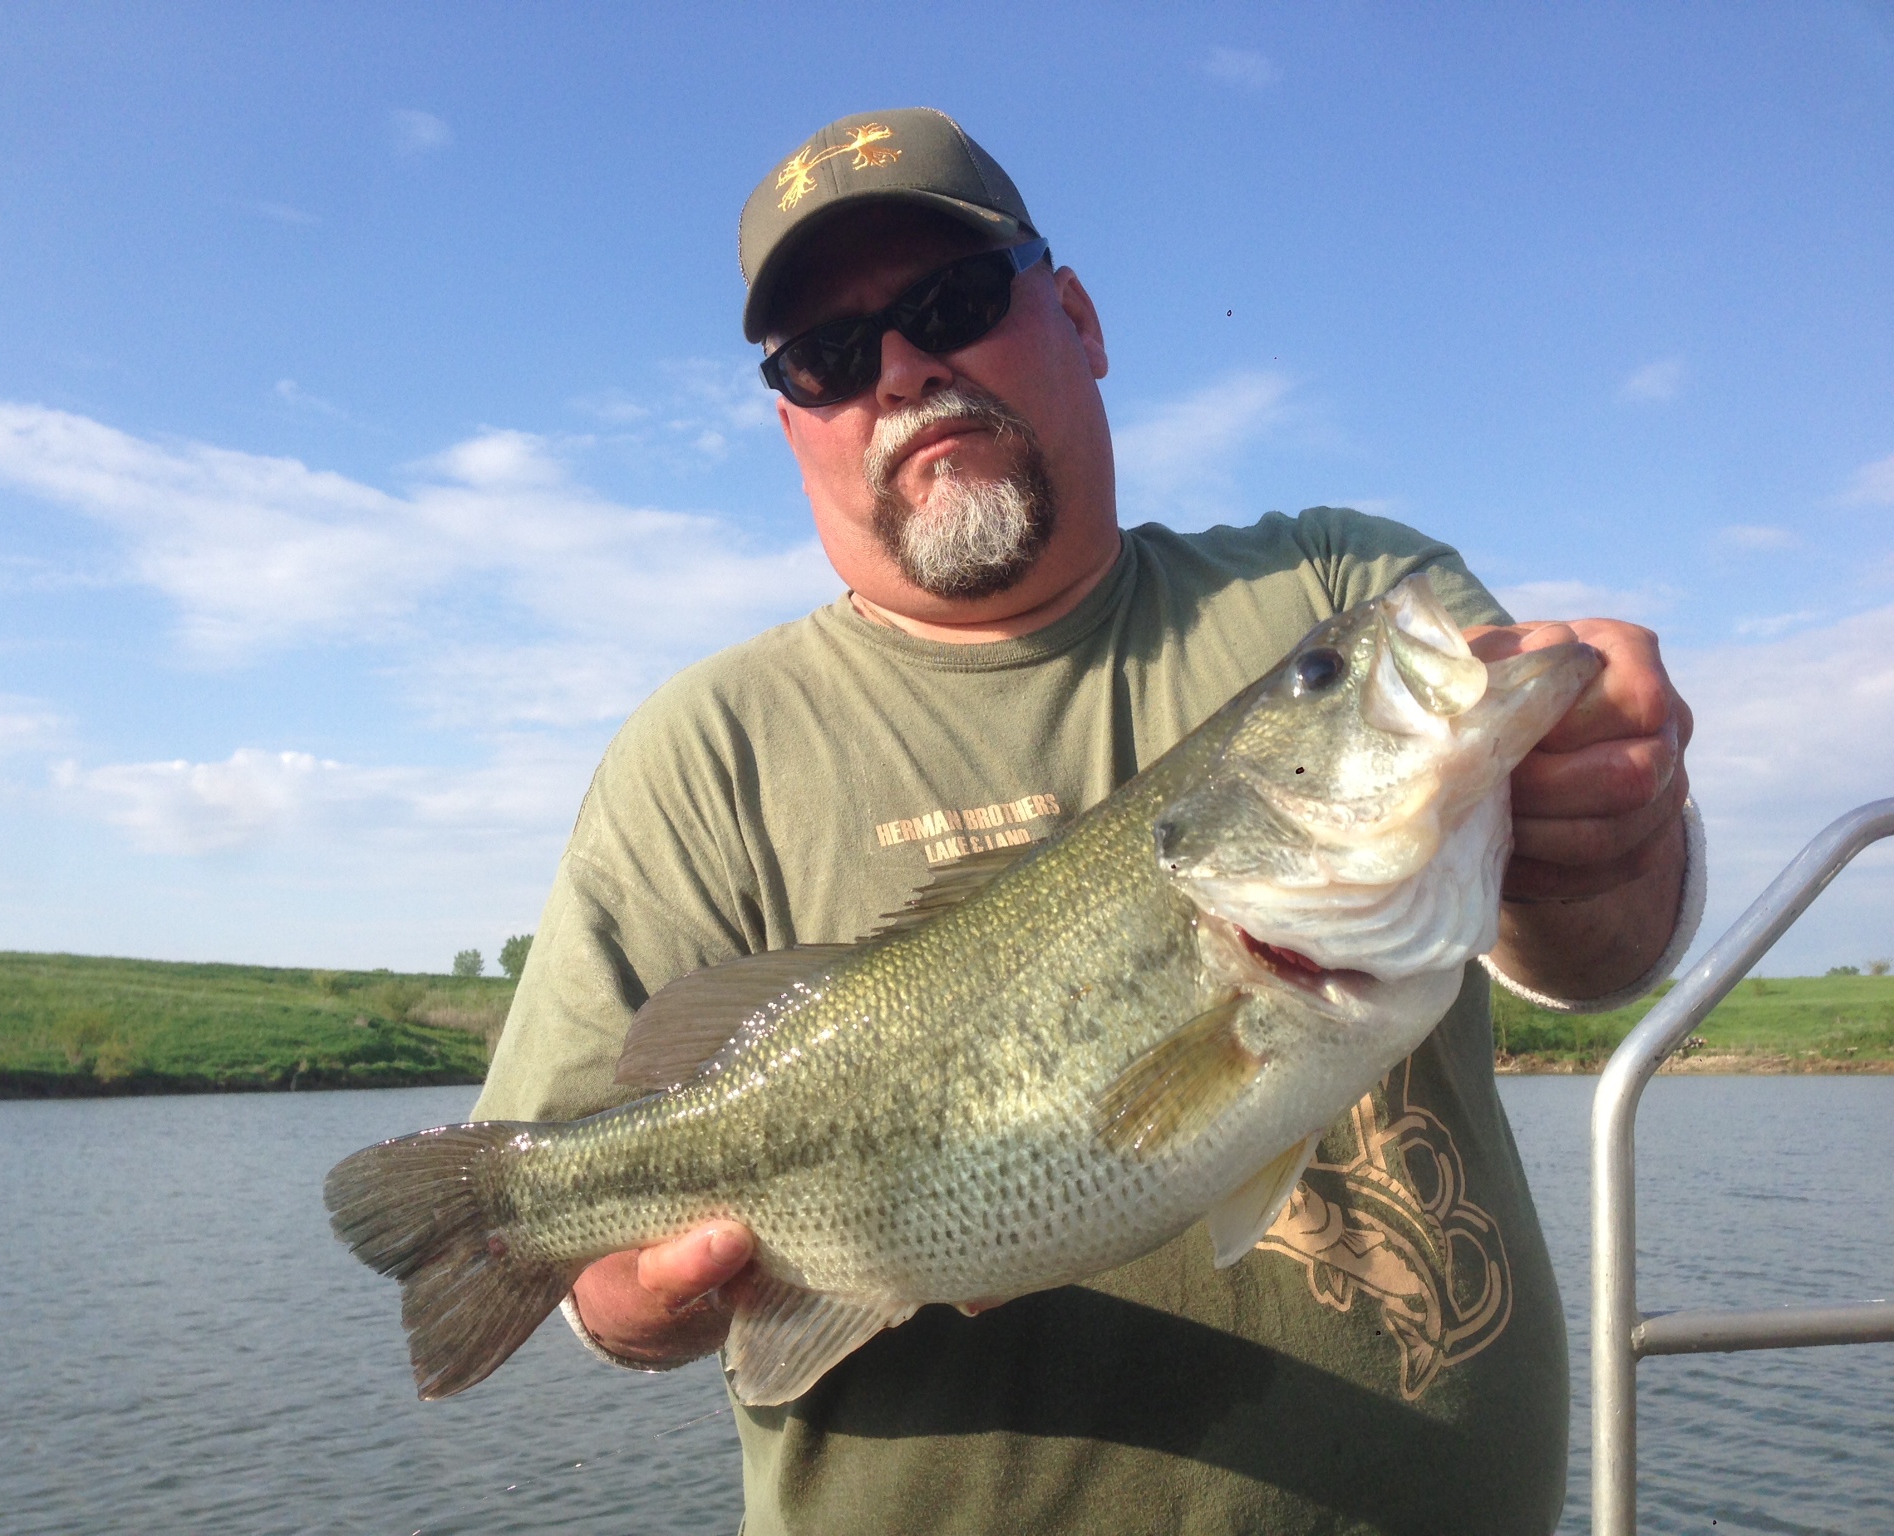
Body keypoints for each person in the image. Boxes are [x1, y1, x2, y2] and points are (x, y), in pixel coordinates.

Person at [474, 108, 1701, 1534]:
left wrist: (1606, 815)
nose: (906, 371)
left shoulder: (1337, 586)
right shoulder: (702, 755)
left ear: (1077, 316)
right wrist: (641, 1293)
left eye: (954, 304)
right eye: (828, 354)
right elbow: (582, 1273)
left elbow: (1599, 953)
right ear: (790, 418)